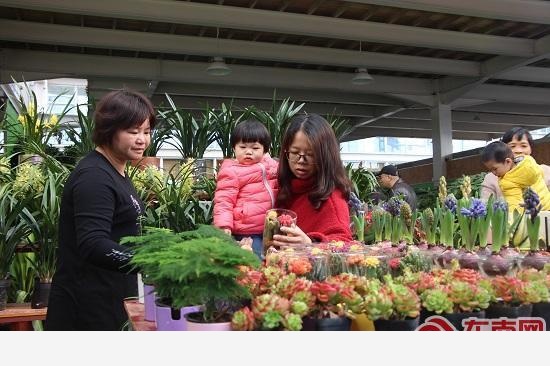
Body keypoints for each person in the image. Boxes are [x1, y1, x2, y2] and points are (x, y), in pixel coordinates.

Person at [46, 89, 155, 330]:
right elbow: (93, 243)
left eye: (146, 131)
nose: (142, 140)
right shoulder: (94, 177)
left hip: (109, 299)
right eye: (133, 131)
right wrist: (150, 262)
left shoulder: (117, 171)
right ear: (109, 130)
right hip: (86, 308)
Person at [271, 113, 353, 246]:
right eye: (295, 153)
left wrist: (310, 243)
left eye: (311, 155)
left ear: (325, 156)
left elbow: (344, 243)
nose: (301, 161)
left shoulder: (332, 198)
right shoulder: (278, 186)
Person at [213, 119, 278, 258]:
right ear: (234, 148)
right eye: (242, 147)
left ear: (265, 150)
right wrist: (223, 226)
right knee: (251, 262)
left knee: (270, 261)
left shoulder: (271, 166)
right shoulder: (231, 171)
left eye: (255, 148)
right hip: (245, 231)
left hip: (268, 229)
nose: (248, 152)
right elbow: (224, 201)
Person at [481, 127, 550, 201]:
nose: (518, 150)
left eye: (524, 146)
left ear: (531, 148)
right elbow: (486, 207)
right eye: (512, 146)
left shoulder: (545, 171)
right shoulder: (491, 178)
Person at [481, 141, 550, 214]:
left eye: (495, 169)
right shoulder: (529, 161)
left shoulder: (508, 182)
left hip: (534, 215)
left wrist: (511, 221)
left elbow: (514, 205)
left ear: (508, 161)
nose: (493, 173)